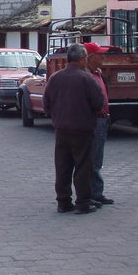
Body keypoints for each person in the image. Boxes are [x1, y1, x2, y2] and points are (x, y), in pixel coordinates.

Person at [42, 43, 105, 214]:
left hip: (61, 129)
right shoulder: (87, 79)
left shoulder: (55, 78)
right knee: (83, 167)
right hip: (82, 129)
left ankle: (63, 202)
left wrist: (56, 117)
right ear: (83, 59)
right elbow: (98, 103)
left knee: (63, 167)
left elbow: (46, 103)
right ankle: (83, 202)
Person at [83, 42, 114, 206]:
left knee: (97, 159)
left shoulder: (97, 74)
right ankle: (91, 194)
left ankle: (97, 192)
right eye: (99, 55)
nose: (103, 57)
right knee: (92, 160)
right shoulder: (86, 76)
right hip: (94, 120)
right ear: (90, 58)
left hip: (102, 119)